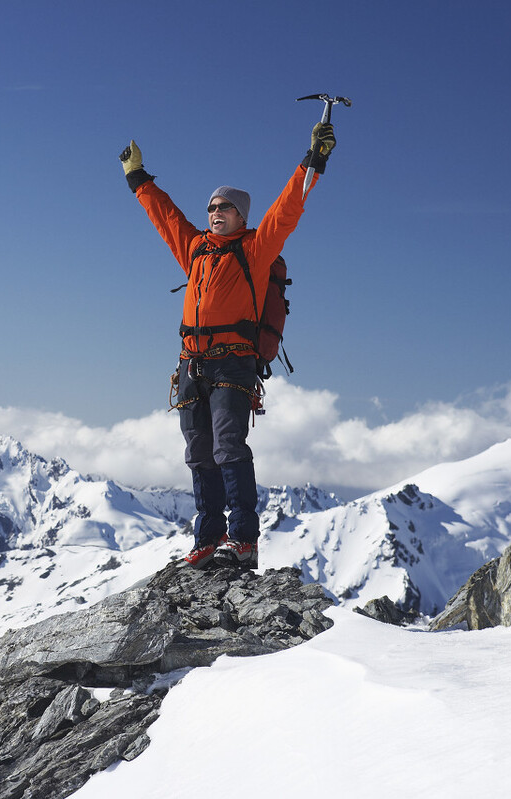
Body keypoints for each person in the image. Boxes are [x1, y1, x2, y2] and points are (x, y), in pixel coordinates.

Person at [119, 121, 335, 570]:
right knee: (199, 452)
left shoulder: (255, 251)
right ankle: (208, 537)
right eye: (212, 206)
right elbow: (167, 217)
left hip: (233, 365)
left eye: (225, 207)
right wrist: (138, 179)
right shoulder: (196, 249)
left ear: (241, 216)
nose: (215, 212)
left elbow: (288, 209)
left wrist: (313, 160)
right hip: (191, 365)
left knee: (228, 447)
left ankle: (243, 540)